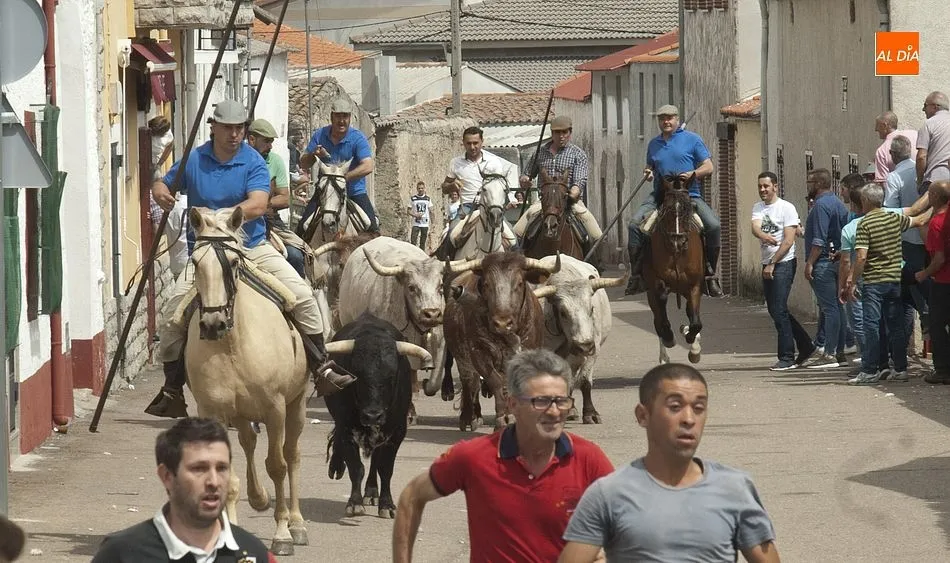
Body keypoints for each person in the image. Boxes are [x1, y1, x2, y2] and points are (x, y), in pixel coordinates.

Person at [146, 99, 353, 418]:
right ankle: (173, 389)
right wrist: (160, 189)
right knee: (173, 316)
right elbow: (166, 182)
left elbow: (258, 203)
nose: (234, 134)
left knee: (302, 297)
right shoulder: (195, 159)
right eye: (227, 127)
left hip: (251, 247)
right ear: (213, 127)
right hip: (205, 251)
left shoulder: (253, 161)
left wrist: (223, 217)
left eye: (239, 128)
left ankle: (321, 366)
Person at [392, 349, 614, 563]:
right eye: (542, 401)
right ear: (513, 404)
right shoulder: (473, 457)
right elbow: (411, 497)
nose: (555, 412)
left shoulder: (588, 458)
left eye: (561, 401)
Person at [558, 363, 779, 563]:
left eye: (699, 408)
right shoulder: (608, 494)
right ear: (642, 415)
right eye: (675, 407)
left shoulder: (734, 489)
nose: (689, 419)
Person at [91, 417, 276, 562]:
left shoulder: (255, 554)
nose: (213, 481)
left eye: (222, 468)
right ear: (167, 476)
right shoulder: (122, 555)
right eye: (199, 469)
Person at [625, 104, 723, 297]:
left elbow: (709, 167)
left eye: (670, 118)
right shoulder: (654, 144)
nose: (666, 122)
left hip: (689, 195)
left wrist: (692, 173)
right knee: (634, 225)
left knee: (713, 226)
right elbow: (650, 166)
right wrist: (648, 172)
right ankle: (636, 275)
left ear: (677, 120)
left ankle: (710, 273)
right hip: (660, 196)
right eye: (662, 119)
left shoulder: (693, 140)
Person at [844, 183, 930, 384]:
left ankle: (870, 369)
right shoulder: (894, 219)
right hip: (894, 280)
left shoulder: (864, 224)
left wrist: (853, 281)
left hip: (874, 282)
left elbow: (862, 257)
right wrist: (936, 201)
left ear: (865, 201)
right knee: (896, 325)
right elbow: (920, 220)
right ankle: (900, 369)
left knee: (871, 325)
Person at [514, 116, 604, 267]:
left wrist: (575, 191)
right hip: (544, 203)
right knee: (516, 232)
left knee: (596, 234)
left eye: (564, 132)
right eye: (557, 132)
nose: (561, 136)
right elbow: (527, 174)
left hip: (569, 201)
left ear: (570, 132)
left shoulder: (578, 154)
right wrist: (524, 180)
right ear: (552, 133)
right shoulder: (539, 153)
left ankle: (595, 266)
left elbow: (580, 180)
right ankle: (519, 265)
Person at [751, 172, 813, 370]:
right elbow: (755, 227)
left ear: (775, 187)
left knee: (778, 308)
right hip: (767, 262)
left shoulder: (786, 208)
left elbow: (788, 240)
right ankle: (806, 345)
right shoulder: (758, 207)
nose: (763, 190)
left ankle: (786, 357)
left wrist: (773, 263)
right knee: (775, 309)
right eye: (760, 186)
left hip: (783, 262)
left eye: (766, 186)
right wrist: (763, 236)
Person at [436, 126, 518, 256]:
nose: (472, 147)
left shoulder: (494, 162)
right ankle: (446, 270)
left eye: (475, 143)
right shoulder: (456, 163)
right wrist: (452, 185)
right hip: (467, 208)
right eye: (468, 143)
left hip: (490, 208)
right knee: (451, 235)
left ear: (482, 142)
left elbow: (500, 186)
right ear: (463, 143)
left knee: (513, 240)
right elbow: (445, 187)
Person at [298, 98, 378, 231]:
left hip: (354, 192)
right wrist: (314, 154)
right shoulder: (320, 135)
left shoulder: (358, 138)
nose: (342, 121)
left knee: (372, 230)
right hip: (324, 192)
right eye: (338, 116)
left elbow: (368, 166)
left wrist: (344, 177)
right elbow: (304, 163)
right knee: (302, 228)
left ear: (350, 118)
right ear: (331, 117)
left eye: (345, 116)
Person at [246, 118, 307, 279]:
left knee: (296, 254)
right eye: (266, 141)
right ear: (252, 139)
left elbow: (285, 199)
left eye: (271, 142)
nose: (270, 146)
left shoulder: (275, 161)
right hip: (242, 221)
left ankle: (302, 292)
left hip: (270, 220)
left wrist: (263, 204)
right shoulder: (239, 161)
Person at [803, 168, 851, 369]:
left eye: (809, 182)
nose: (808, 186)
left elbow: (818, 239)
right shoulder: (838, 204)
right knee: (837, 308)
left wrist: (810, 263)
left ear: (818, 184)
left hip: (823, 262)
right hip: (836, 262)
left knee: (830, 308)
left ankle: (830, 352)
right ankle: (839, 352)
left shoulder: (821, 206)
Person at [916, 180, 950, 384]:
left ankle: (943, 370)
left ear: (935, 198)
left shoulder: (938, 223)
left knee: (938, 326)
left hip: (943, 281)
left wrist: (925, 273)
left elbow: (939, 258)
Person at [147, 116, 189, 279]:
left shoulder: (155, 137)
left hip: (153, 168)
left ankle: (155, 248)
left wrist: (158, 163)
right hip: (154, 167)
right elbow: (172, 145)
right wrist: (161, 161)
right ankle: (156, 248)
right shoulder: (168, 136)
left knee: (158, 206)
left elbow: (171, 145)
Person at [916, 91, 950, 193]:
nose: (923, 109)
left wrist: (920, 181)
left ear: (935, 106)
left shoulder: (929, 124)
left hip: (934, 180)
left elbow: (921, 157)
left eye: (925, 105)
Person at [873, 111, 918, 184]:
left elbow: (883, 182)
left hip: (900, 191)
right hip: (923, 187)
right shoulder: (915, 134)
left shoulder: (882, 151)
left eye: (877, 125)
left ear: (885, 125)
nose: (876, 129)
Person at [407, 181, 433, 250]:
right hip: (416, 223)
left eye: (422, 188)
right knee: (413, 240)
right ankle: (413, 254)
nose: (420, 190)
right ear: (417, 189)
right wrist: (415, 215)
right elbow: (408, 211)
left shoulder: (427, 199)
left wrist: (433, 222)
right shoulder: (413, 199)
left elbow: (431, 210)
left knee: (423, 242)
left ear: (424, 188)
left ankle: (422, 256)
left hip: (425, 223)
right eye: (419, 188)